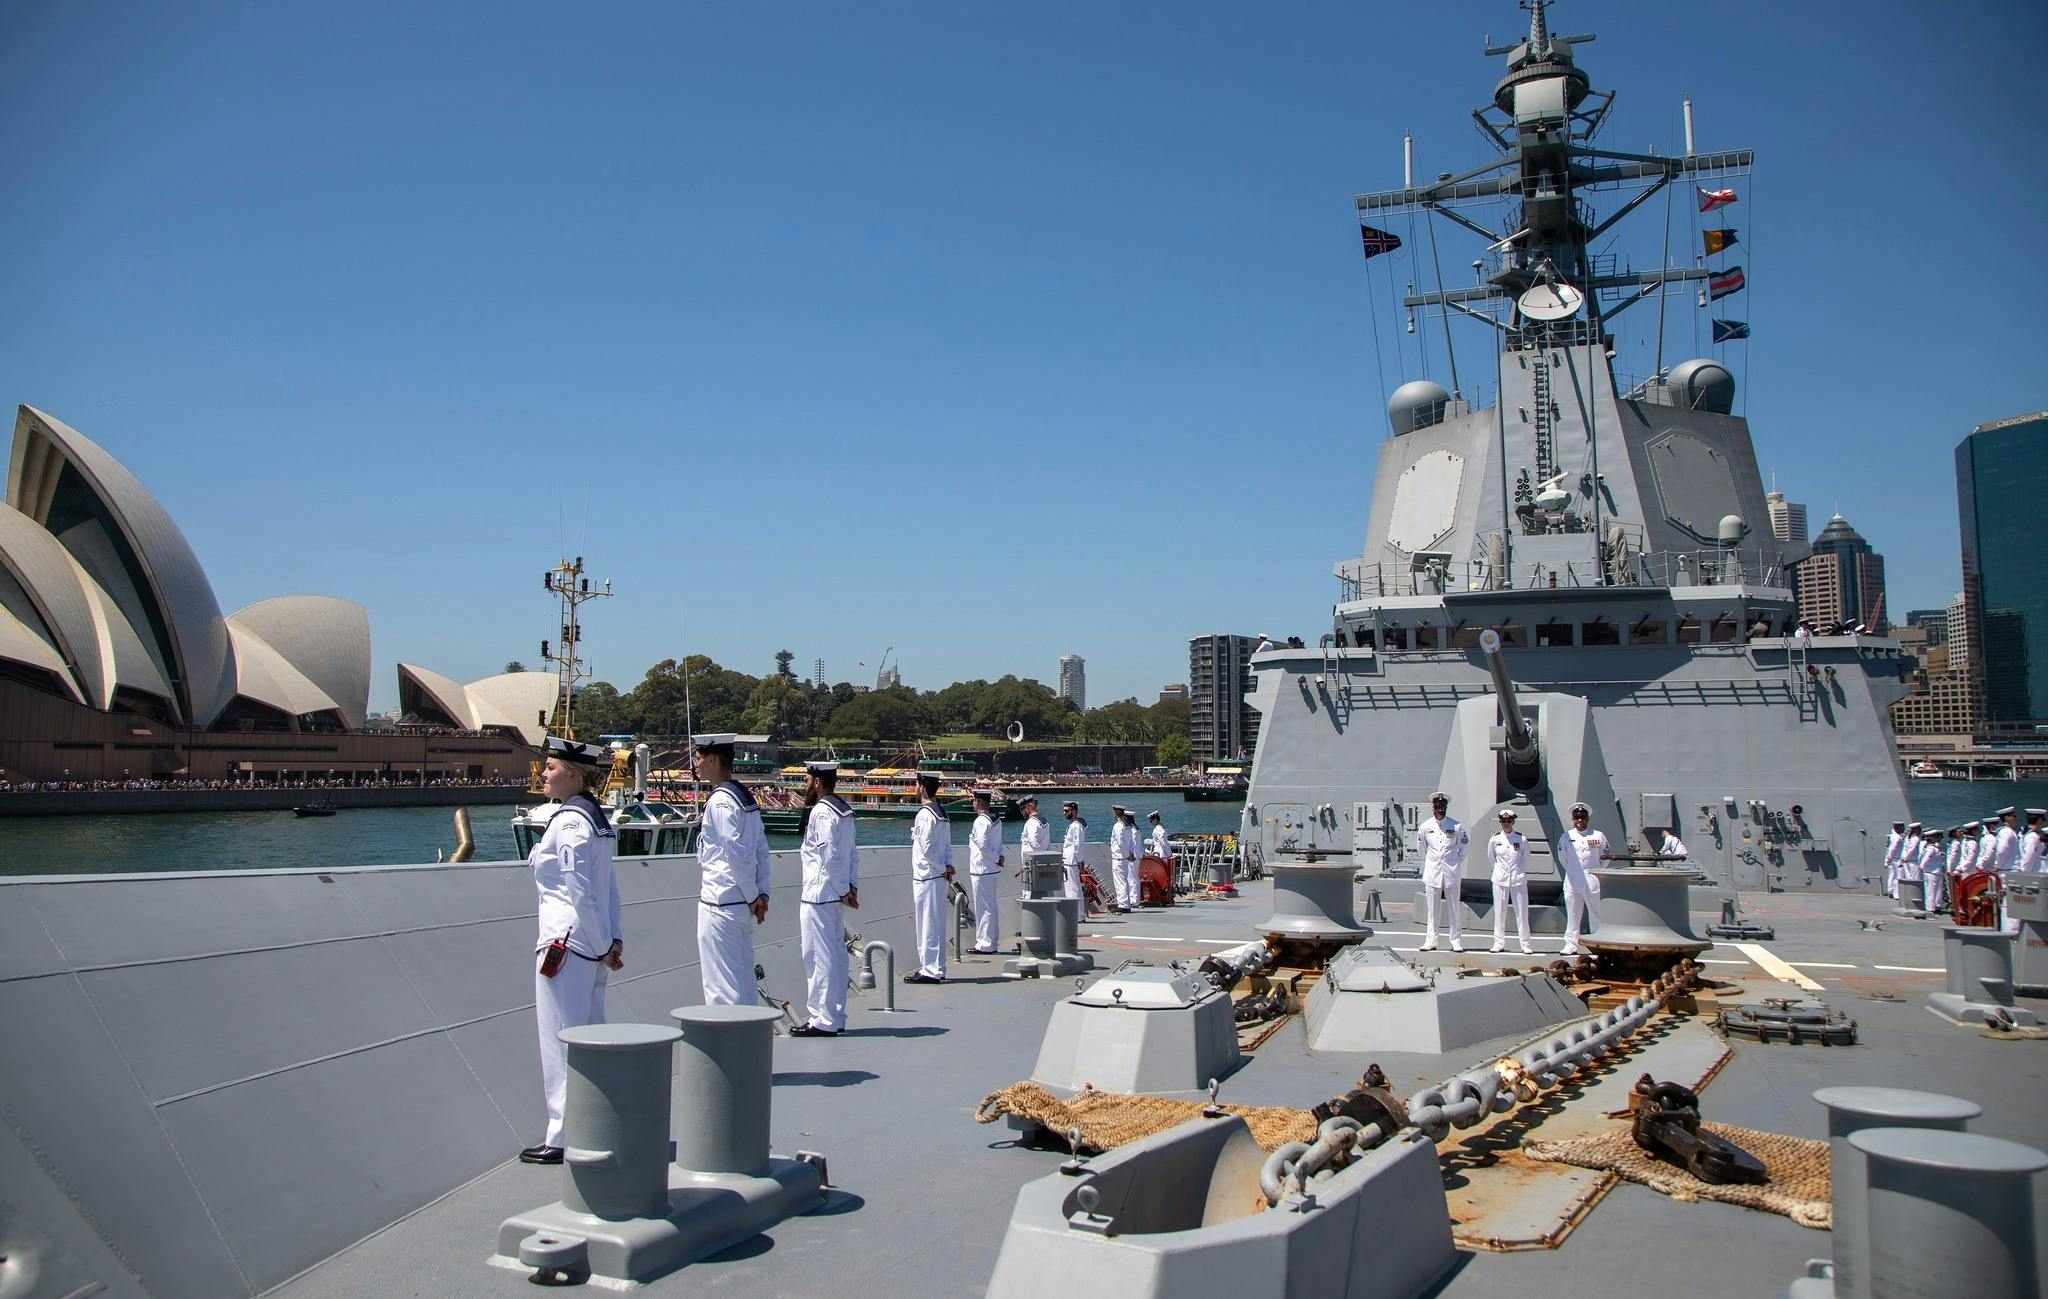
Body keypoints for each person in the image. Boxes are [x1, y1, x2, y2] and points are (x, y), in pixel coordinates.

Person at [524, 735, 624, 1164]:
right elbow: (609, 890)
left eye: (550, 767)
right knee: (591, 1038)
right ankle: (600, 1122)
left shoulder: (567, 822)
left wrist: (604, 944)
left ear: (574, 774)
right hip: (588, 943)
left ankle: (562, 1136)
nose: (543, 774)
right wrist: (611, 939)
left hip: (565, 944)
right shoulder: (593, 818)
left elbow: (581, 891)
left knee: (560, 1040)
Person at [693, 733, 771, 1006]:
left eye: (699, 757)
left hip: (721, 904)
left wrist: (753, 897)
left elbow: (736, 854)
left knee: (721, 988)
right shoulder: (743, 797)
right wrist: (761, 893)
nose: (696, 763)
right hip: (739, 903)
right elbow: (761, 848)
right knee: (742, 981)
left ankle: (727, 1047)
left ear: (713, 759)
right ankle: (746, 1042)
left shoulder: (721, 801)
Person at [792, 760, 858, 1037]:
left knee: (817, 957)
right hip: (833, 895)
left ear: (817, 781)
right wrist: (849, 887)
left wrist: (843, 889)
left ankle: (822, 1018)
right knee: (836, 956)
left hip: (819, 895)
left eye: (807, 779)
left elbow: (829, 855)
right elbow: (852, 854)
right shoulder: (844, 811)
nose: (805, 784)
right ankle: (837, 1014)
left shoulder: (820, 812)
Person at [905, 772, 954, 983]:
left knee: (927, 924)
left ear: (922, 787)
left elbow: (926, 849)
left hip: (927, 876)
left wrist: (942, 868)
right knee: (936, 923)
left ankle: (930, 969)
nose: (915, 789)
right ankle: (936, 967)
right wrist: (948, 865)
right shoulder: (941, 813)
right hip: (937, 876)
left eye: (917, 785)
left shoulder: (925, 815)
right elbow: (946, 846)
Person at [1417, 792, 1469, 952]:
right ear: (1433, 807)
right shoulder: (1425, 827)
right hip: (1433, 873)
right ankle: (1431, 940)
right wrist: (1433, 862)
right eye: (1437, 806)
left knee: (1454, 908)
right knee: (1432, 910)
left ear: (1446, 807)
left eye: (1443, 806)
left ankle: (1455, 941)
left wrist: (1454, 861)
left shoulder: (1456, 826)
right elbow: (1422, 850)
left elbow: (1464, 848)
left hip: (1451, 872)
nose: (1440, 809)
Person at [1559, 802, 1610, 955]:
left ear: (1587, 818)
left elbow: (1606, 856)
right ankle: (1570, 945)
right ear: (1572, 819)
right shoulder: (1566, 836)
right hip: (1573, 881)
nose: (1580, 820)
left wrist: (1596, 872)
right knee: (1573, 915)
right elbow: (1563, 857)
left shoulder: (1597, 835)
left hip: (1592, 880)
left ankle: (1597, 944)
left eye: (1582, 817)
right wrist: (1574, 871)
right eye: (1576, 817)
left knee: (1595, 914)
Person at [1488, 809, 1532, 954]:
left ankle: (1525, 944)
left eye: (1509, 821)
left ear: (1513, 822)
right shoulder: (1494, 839)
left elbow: (1526, 858)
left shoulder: (1521, 839)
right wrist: (1501, 872)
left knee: (1522, 912)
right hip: (1500, 879)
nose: (1506, 824)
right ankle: (1498, 943)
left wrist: (1518, 872)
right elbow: (1491, 858)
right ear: (1500, 822)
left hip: (1518, 879)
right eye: (1503, 821)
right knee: (1499, 912)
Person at [967, 788, 1004, 955]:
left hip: (981, 869)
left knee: (984, 908)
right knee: (991, 906)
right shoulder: (996, 820)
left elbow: (983, 845)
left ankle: (985, 944)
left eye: (973, 800)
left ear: (979, 801)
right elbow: (997, 843)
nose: (973, 804)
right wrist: (999, 857)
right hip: (990, 870)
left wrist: (996, 858)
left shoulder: (981, 821)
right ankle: (992, 941)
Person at [1109, 805, 1141, 913]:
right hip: (1125, 857)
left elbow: (1120, 842)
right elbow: (1131, 842)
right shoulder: (1127, 825)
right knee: (1125, 880)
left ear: (1115, 813)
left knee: (1120, 881)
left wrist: (1127, 854)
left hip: (1119, 857)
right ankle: (1126, 903)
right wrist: (1130, 853)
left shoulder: (1118, 826)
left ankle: (1123, 904)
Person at [1060, 800, 1087, 901]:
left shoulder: (1076, 826)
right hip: (1070, 861)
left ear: (1074, 811)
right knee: (1075, 888)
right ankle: (1079, 915)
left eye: (1067, 811)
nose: (1064, 813)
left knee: (1072, 890)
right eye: (1063, 810)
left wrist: (1080, 861)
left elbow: (1078, 844)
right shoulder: (1074, 825)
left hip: (1072, 861)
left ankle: (1075, 915)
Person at [1882, 820, 1907, 899]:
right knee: (1898, 877)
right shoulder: (1896, 837)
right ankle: (1897, 894)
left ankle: (1893, 892)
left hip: (1895, 859)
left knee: (1894, 876)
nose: (1904, 829)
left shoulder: (1896, 836)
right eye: (1902, 827)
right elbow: (1892, 849)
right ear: (1898, 828)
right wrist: (1889, 858)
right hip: (1896, 859)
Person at [1147, 810, 1173, 884]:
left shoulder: (1158, 829)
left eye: (1151, 820)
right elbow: (1164, 843)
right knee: (1164, 873)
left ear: (1155, 819)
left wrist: (1168, 854)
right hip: (1163, 855)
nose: (1151, 822)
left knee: (1161, 873)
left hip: (1161, 854)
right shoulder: (1159, 829)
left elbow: (1163, 843)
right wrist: (1169, 854)